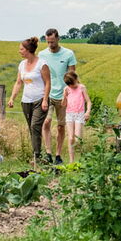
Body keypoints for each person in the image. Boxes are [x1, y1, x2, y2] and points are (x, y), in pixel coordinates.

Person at [7, 37, 51, 167]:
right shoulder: (22, 65)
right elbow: (18, 82)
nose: (19, 51)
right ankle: (40, 157)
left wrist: (45, 100)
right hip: (26, 101)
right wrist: (12, 98)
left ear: (28, 50)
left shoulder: (42, 64)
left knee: (35, 127)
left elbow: (48, 82)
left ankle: (37, 157)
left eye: (21, 49)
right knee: (33, 130)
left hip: (39, 100)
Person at [38, 28, 77, 164]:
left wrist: (70, 95)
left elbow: (72, 76)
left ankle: (58, 155)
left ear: (58, 39)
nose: (50, 45)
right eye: (48, 42)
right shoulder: (42, 54)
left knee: (61, 126)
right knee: (46, 122)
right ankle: (48, 153)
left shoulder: (68, 54)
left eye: (52, 42)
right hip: (47, 95)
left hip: (63, 96)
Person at [61, 71, 90, 163]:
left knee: (78, 139)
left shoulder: (82, 88)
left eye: (72, 84)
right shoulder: (67, 89)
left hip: (79, 114)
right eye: (69, 85)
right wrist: (64, 96)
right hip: (70, 114)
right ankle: (71, 161)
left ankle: (82, 158)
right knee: (70, 138)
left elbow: (88, 101)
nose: (72, 86)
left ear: (76, 79)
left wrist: (87, 112)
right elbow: (63, 104)